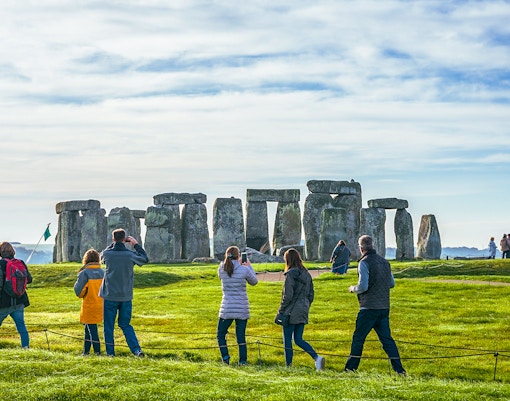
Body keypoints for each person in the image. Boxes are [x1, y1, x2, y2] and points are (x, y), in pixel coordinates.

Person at [345, 235, 406, 375]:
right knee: (387, 340)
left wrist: (352, 288)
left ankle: (350, 369)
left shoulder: (364, 263)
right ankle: (399, 369)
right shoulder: (385, 262)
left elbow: (363, 286)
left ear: (361, 248)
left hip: (368, 308)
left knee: (358, 339)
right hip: (384, 307)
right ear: (373, 245)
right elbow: (391, 283)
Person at [99, 228, 149, 357]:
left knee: (108, 326)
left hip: (109, 295)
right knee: (125, 324)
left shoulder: (108, 254)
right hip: (126, 296)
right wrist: (135, 244)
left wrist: (114, 243)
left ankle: (110, 353)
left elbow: (101, 255)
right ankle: (136, 350)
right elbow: (144, 259)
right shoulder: (130, 255)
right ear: (124, 239)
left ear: (113, 239)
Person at [277, 248, 325, 370]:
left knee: (287, 340)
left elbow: (287, 296)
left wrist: (281, 311)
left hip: (290, 311)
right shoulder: (307, 274)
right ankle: (316, 358)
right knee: (298, 339)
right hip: (303, 309)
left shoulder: (290, 275)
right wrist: (306, 305)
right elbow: (311, 294)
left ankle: (288, 366)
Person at [217, 246, 258, 365]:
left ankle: (225, 357)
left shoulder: (221, 268)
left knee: (220, 334)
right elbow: (254, 281)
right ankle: (243, 360)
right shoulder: (244, 269)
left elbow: (223, 273)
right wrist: (248, 265)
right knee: (240, 336)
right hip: (241, 307)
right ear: (238, 256)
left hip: (227, 307)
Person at [0, 241, 32, 348]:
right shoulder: (20, 263)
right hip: (19, 301)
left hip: (3, 303)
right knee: (21, 327)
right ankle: (26, 348)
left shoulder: (1, 265)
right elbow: (29, 279)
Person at [74, 248, 105, 355]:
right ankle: (85, 351)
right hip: (101, 304)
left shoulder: (84, 273)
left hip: (89, 304)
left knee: (92, 330)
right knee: (88, 329)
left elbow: (79, 292)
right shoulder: (103, 272)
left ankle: (97, 352)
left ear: (86, 259)